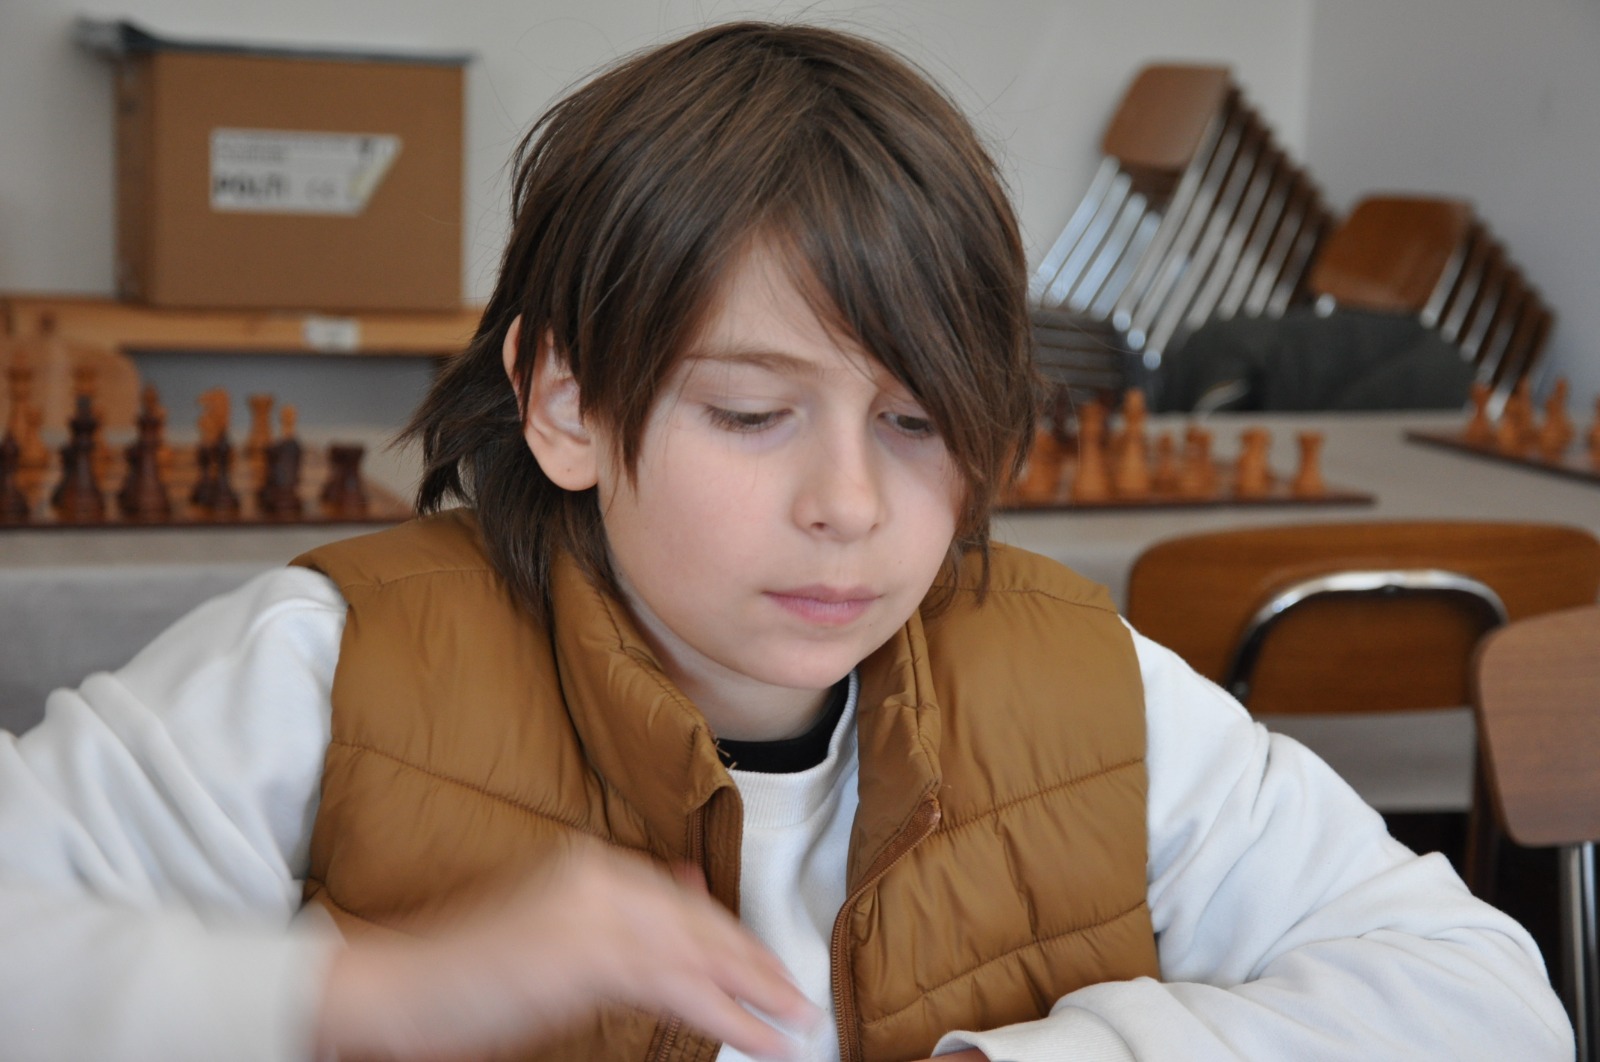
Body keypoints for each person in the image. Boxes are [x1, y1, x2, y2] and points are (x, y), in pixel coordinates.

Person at [0, 21, 1574, 1062]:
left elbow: (1491, 996)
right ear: (565, 404)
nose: (852, 503)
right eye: (752, 414)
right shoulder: (326, 666)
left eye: (916, 419)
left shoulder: (1091, 690)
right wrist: (368, 996)